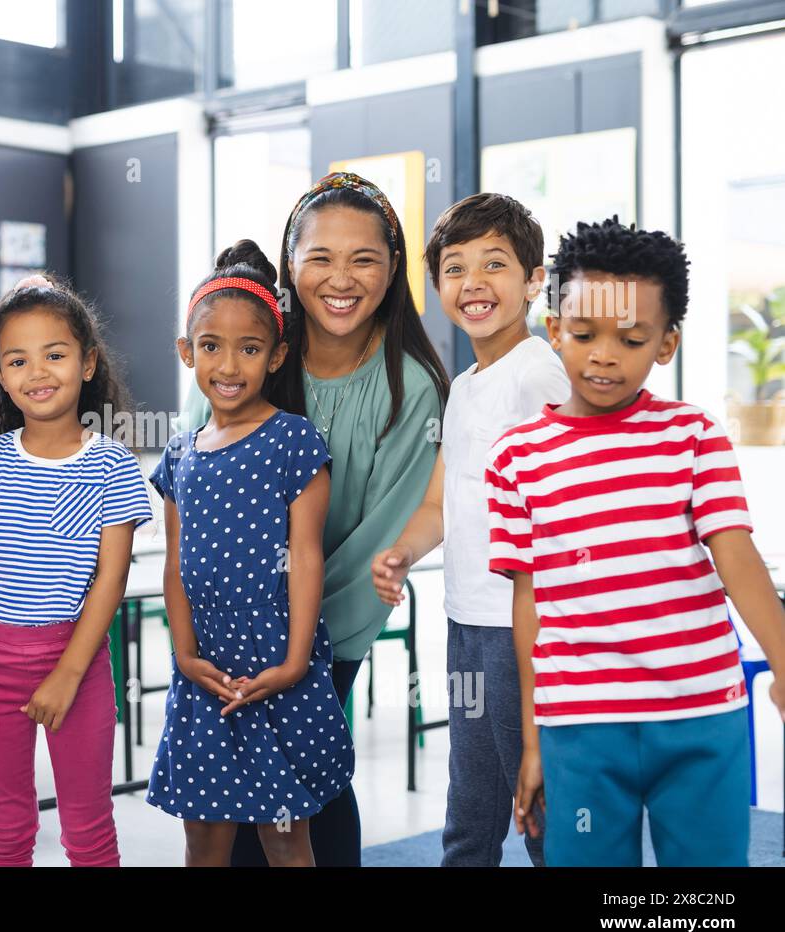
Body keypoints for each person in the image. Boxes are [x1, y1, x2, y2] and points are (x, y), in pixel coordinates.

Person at [488, 217, 785, 866]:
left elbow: (736, 557)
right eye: (585, 334)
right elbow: (529, 604)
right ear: (555, 329)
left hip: (702, 715)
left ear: (666, 343)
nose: (603, 354)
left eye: (631, 338)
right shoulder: (516, 458)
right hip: (581, 726)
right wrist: (533, 742)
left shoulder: (694, 436)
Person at [179, 173, 450, 865]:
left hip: (320, 637)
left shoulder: (409, 387)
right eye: (321, 257)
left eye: (364, 258)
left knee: (305, 790)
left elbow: (380, 540)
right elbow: (191, 487)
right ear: (290, 260)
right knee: (226, 805)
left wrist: (295, 646)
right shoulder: (244, 348)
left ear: (393, 269)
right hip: (224, 632)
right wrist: (213, 633)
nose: (342, 277)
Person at [371, 193, 568, 865]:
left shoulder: (538, 372)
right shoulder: (464, 386)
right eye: (455, 268)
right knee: (471, 807)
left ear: (535, 279)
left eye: (495, 264)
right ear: (437, 287)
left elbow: (565, 500)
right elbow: (440, 502)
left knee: (540, 809)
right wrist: (401, 550)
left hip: (522, 626)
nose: (473, 282)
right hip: (467, 622)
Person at [146, 240, 354, 866]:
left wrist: (294, 664)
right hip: (205, 670)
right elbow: (175, 565)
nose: (229, 364)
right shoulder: (180, 453)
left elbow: (307, 556)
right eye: (211, 346)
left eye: (250, 348)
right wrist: (184, 654)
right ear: (187, 352)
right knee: (203, 833)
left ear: (277, 355)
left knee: (285, 834)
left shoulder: (294, 440)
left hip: (277, 663)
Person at [0, 277, 150, 866]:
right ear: (2, 377)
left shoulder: (112, 464)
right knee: (6, 826)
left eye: (54, 355)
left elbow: (110, 582)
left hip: (77, 664)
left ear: (87, 363)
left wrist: (68, 673)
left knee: (87, 830)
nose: (38, 372)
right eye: (17, 360)